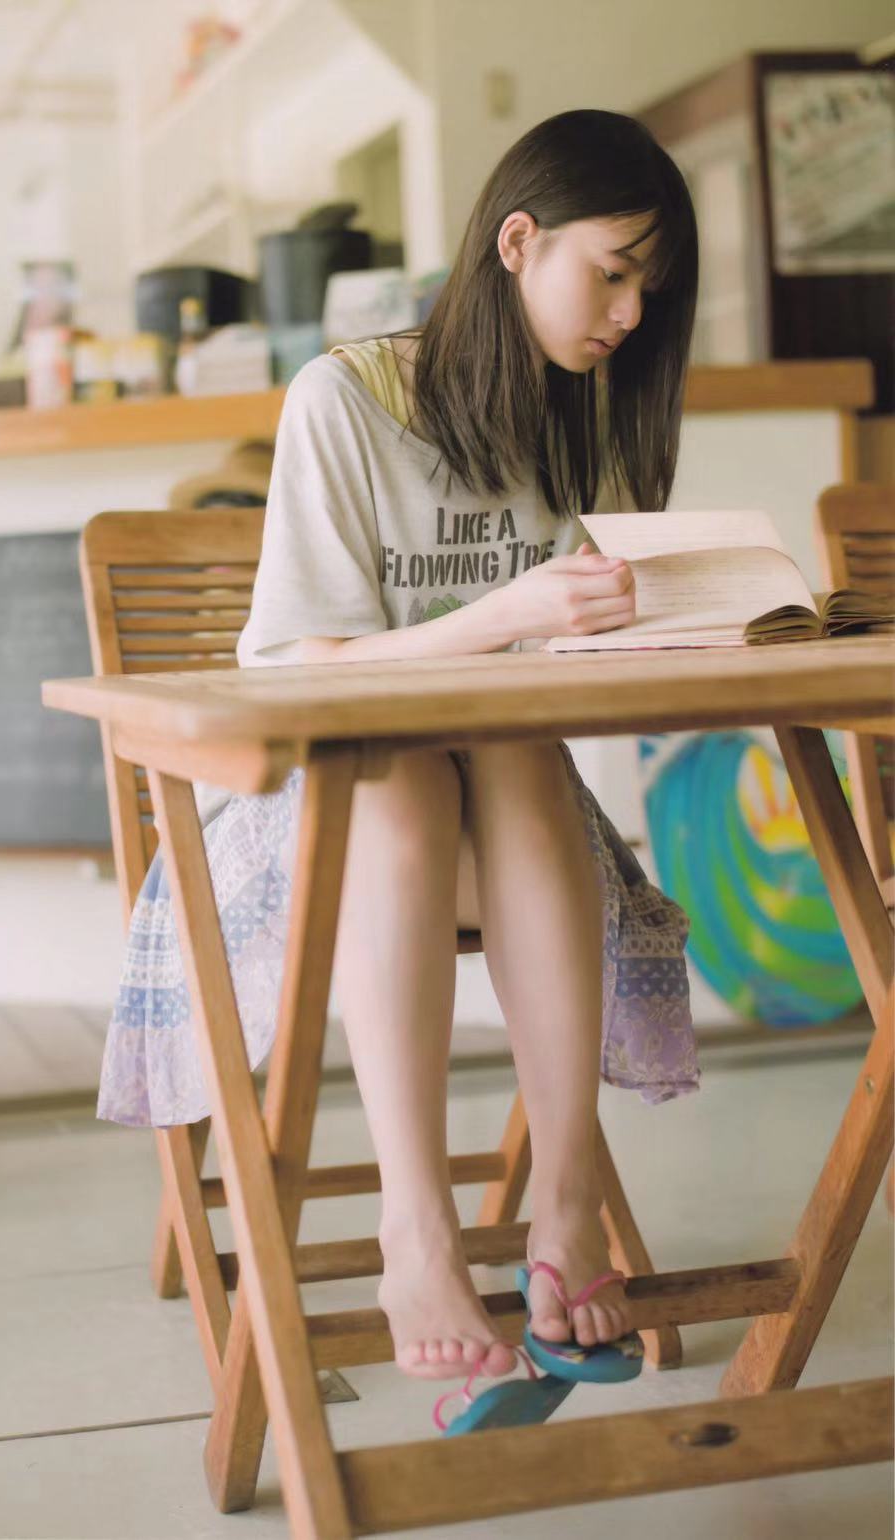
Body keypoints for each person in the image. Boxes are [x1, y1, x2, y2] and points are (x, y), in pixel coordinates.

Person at [99, 109, 701, 1384]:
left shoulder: (567, 416)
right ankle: (415, 1223)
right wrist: (506, 617)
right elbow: (295, 675)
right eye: (615, 271)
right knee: (403, 772)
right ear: (517, 240)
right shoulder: (345, 400)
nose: (633, 315)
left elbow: (550, 674)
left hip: (516, 816)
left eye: (652, 288)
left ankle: (564, 1195)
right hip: (324, 816)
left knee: (510, 744)